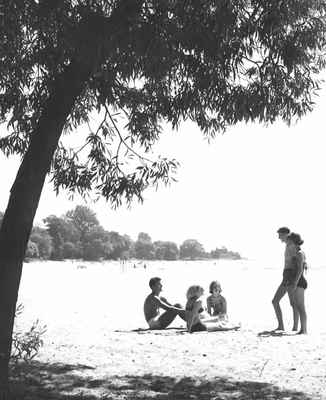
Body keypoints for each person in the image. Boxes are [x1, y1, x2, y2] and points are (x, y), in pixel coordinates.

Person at [272, 227, 299, 331]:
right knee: (276, 301)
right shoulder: (288, 245)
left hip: (290, 275)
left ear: (286, 234)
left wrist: (294, 279)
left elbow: (298, 261)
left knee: (291, 302)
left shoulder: (292, 246)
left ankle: (294, 327)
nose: (279, 237)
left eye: (280, 235)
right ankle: (282, 326)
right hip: (286, 275)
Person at [287, 232, 308, 334]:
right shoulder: (299, 252)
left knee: (301, 306)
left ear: (293, 241)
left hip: (299, 282)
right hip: (298, 281)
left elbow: (300, 269)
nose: (288, 242)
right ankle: (302, 329)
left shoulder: (299, 253)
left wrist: (295, 283)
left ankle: (304, 329)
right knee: (298, 305)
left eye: (289, 240)